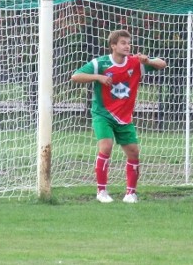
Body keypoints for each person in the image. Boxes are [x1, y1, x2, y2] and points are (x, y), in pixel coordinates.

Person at [71, 29, 167, 203]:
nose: (127, 46)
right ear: (113, 45)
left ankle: (130, 193)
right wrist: (98, 77)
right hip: (103, 114)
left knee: (134, 153)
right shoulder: (100, 63)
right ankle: (101, 192)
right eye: (123, 43)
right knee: (106, 147)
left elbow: (162, 64)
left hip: (125, 117)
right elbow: (76, 76)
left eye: (128, 43)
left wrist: (148, 60)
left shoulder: (136, 63)